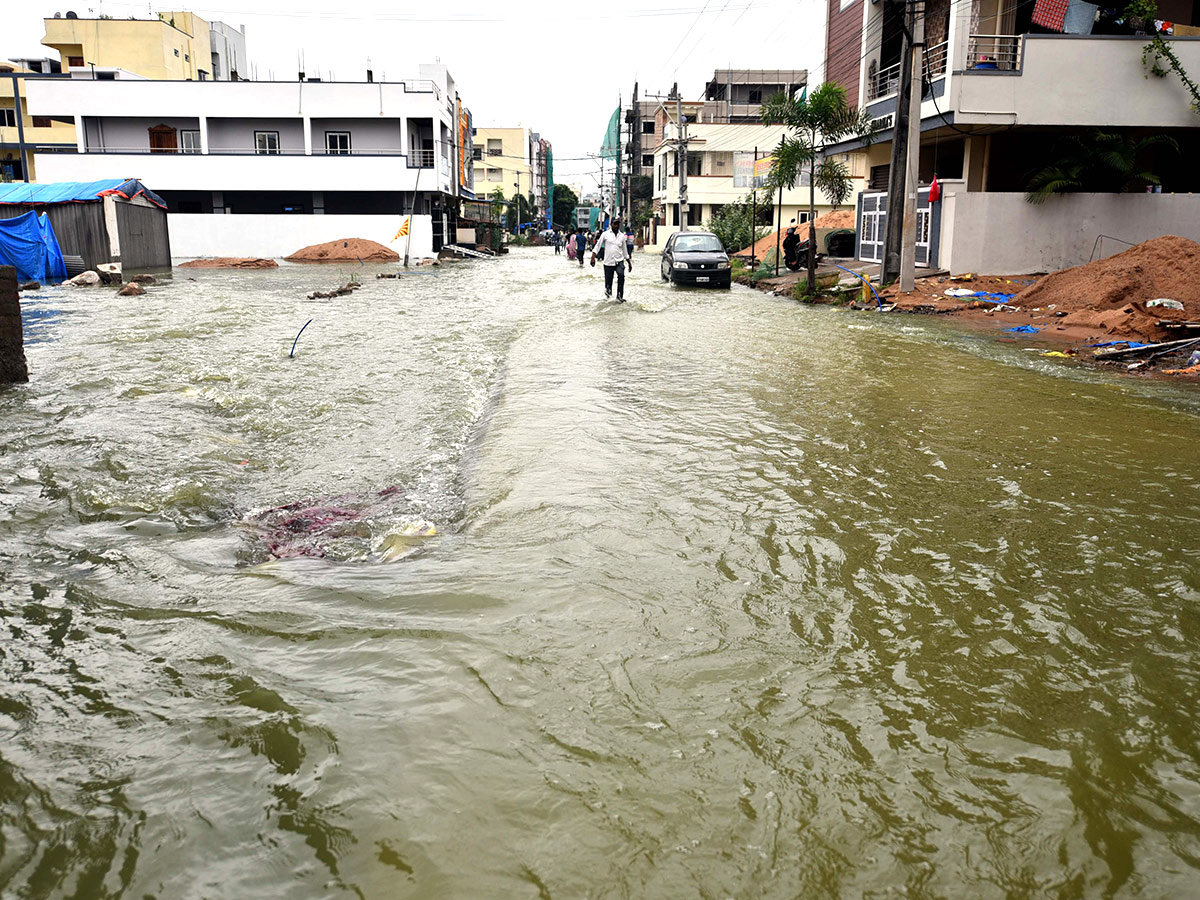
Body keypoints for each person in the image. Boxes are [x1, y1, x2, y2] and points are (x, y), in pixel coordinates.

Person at [591, 217, 632, 301]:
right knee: (608, 282)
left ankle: (619, 297)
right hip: (608, 262)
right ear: (611, 224)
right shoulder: (605, 234)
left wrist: (629, 262)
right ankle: (608, 298)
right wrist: (593, 257)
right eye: (615, 224)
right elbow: (598, 246)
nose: (616, 226)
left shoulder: (622, 236)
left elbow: (625, 250)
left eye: (618, 224)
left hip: (619, 261)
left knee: (621, 276)